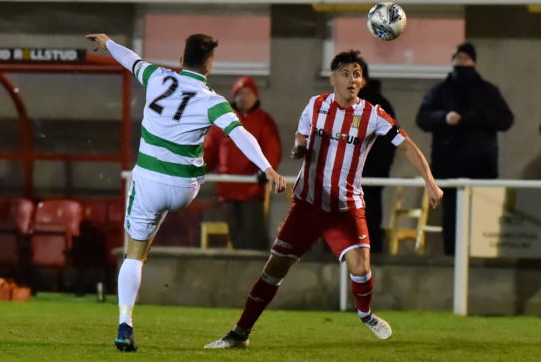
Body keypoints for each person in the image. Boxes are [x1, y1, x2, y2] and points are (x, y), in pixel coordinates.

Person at [204, 50, 443, 349]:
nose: (351, 79)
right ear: (333, 78)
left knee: (361, 267)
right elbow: (301, 134)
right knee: (274, 269)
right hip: (307, 204)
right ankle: (240, 333)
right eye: (345, 73)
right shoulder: (316, 105)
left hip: (345, 206)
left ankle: (365, 313)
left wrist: (430, 182)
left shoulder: (373, 115)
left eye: (356, 74)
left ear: (362, 80)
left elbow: (407, 146)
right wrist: (299, 147)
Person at [86, 33, 286, 352]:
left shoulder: (156, 76)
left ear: (181, 61)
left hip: (149, 182)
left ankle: (125, 323)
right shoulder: (213, 101)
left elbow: (130, 59)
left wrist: (108, 43)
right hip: (184, 188)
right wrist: (267, 168)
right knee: (194, 156)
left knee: (134, 256)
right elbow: (240, 134)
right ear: (210, 65)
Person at [416, 41, 513, 256]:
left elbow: (506, 119)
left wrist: (479, 118)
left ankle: (479, 260)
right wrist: (445, 117)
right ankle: (453, 259)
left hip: (481, 167)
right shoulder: (439, 92)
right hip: (449, 167)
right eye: (457, 58)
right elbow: (423, 118)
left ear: (474, 62)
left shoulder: (488, 92)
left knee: (481, 220)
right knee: (451, 219)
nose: (461, 62)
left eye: (465, 58)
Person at [204, 76, 282, 250]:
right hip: (228, 189)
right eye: (240, 93)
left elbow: (272, 148)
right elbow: (210, 149)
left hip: (252, 190)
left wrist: (267, 169)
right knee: (236, 236)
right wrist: (198, 168)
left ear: (255, 96)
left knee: (254, 233)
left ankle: (257, 270)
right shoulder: (223, 121)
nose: (244, 97)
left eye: (248, 93)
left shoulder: (264, 121)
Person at [358, 60, 397, 254]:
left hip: (369, 179)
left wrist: (376, 172)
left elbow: (390, 142)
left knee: (369, 222)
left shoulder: (378, 106)